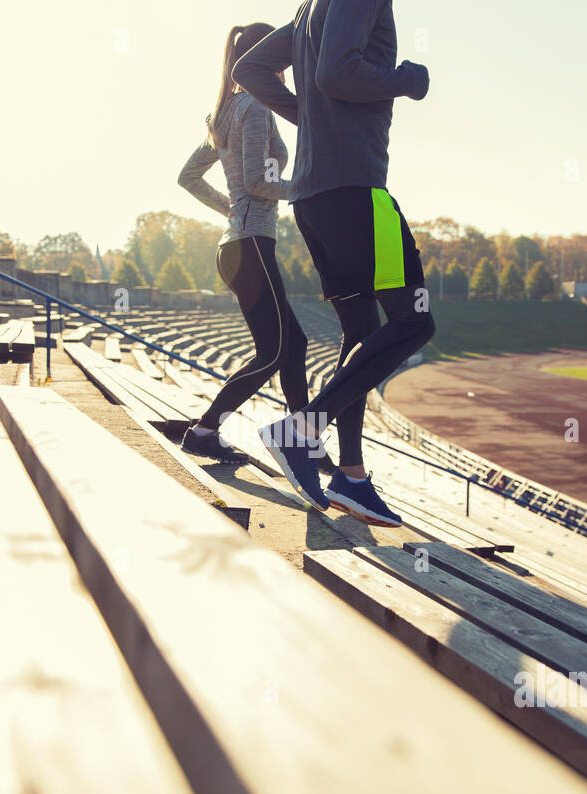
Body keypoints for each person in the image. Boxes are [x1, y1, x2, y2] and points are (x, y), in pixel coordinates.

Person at [234, 0, 433, 527]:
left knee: (361, 330)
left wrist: (309, 115)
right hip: (356, 191)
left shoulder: (308, 9)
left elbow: (247, 68)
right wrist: (408, 79)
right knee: (415, 321)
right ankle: (300, 431)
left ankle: (351, 476)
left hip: (314, 198)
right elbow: (337, 74)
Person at [176, 22, 333, 472]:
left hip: (239, 245)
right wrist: (304, 187)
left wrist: (231, 209)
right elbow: (258, 182)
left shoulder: (223, 111)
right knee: (275, 351)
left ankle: (307, 440)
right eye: (282, 60)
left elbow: (187, 177)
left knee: (295, 344)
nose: (286, 69)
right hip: (249, 246)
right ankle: (205, 431)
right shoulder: (255, 108)